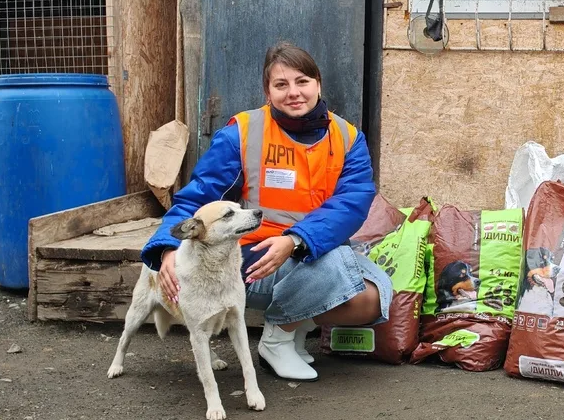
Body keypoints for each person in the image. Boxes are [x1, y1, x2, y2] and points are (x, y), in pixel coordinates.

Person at [140, 41, 389, 382]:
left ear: (318, 84)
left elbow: (352, 202)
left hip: (306, 250)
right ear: (267, 91)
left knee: (373, 296)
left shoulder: (347, 138)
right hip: (250, 259)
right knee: (336, 265)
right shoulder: (242, 132)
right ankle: (277, 342)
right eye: (281, 84)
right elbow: (199, 196)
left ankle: (289, 327)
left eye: (302, 82)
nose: (294, 93)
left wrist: (296, 239)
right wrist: (168, 246)